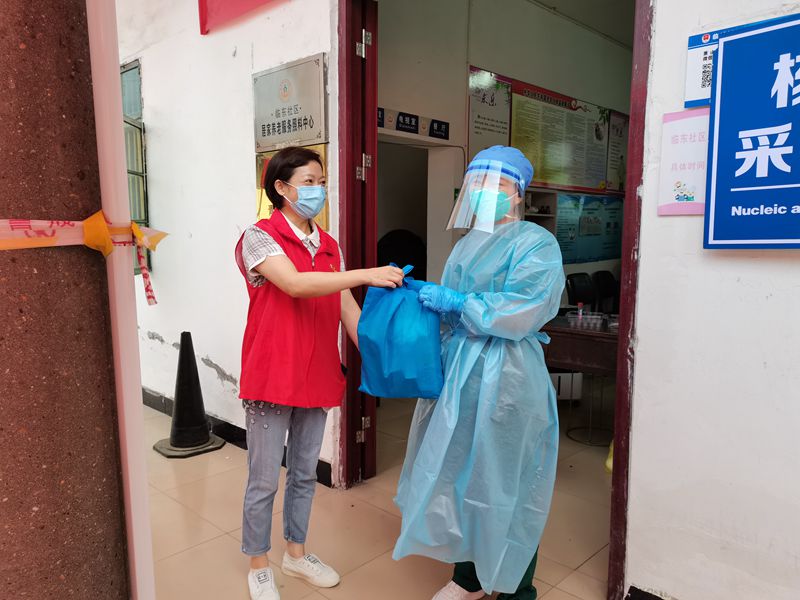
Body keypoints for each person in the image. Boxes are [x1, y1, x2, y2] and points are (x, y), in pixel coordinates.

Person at [392, 146, 565, 600]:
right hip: (461, 374)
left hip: (508, 376)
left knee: (507, 482)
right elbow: (452, 309)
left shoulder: (536, 243)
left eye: (497, 184)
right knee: (461, 475)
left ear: (518, 193)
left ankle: (516, 588)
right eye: (478, 183)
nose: (485, 192)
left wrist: (459, 303)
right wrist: (418, 293)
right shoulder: (466, 243)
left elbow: (523, 310)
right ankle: (468, 579)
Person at [234, 146, 404, 600]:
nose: (318, 190)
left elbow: (346, 308)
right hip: (272, 376)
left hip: (317, 376)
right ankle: (258, 564)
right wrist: (365, 274)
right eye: (308, 182)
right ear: (281, 188)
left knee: (304, 473)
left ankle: (296, 553)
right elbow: (295, 284)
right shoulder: (259, 237)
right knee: (264, 479)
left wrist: (386, 357)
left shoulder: (329, 245)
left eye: (321, 181)